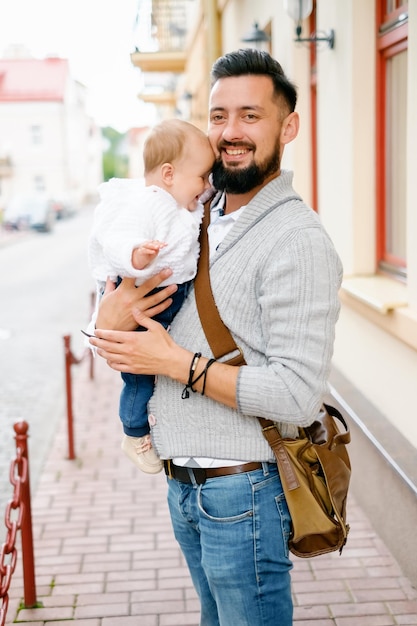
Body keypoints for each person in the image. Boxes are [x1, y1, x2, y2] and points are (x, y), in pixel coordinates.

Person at [88, 49, 343, 626]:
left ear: (288, 126)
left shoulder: (297, 240)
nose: (230, 133)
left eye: (250, 115)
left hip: (245, 491)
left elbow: (297, 394)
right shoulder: (193, 214)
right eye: (219, 115)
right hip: (185, 487)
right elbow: (129, 320)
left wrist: (175, 363)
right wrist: (111, 317)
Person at [88, 119, 214, 474]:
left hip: (165, 293)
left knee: (152, 367)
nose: (206, 186)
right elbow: (118, 237)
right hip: (147, 294)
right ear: (170, 174)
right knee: (140, 374)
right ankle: (134, 431)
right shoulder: (150, 202)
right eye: (202, 177)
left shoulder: (179, 202)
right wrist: (137, 255)